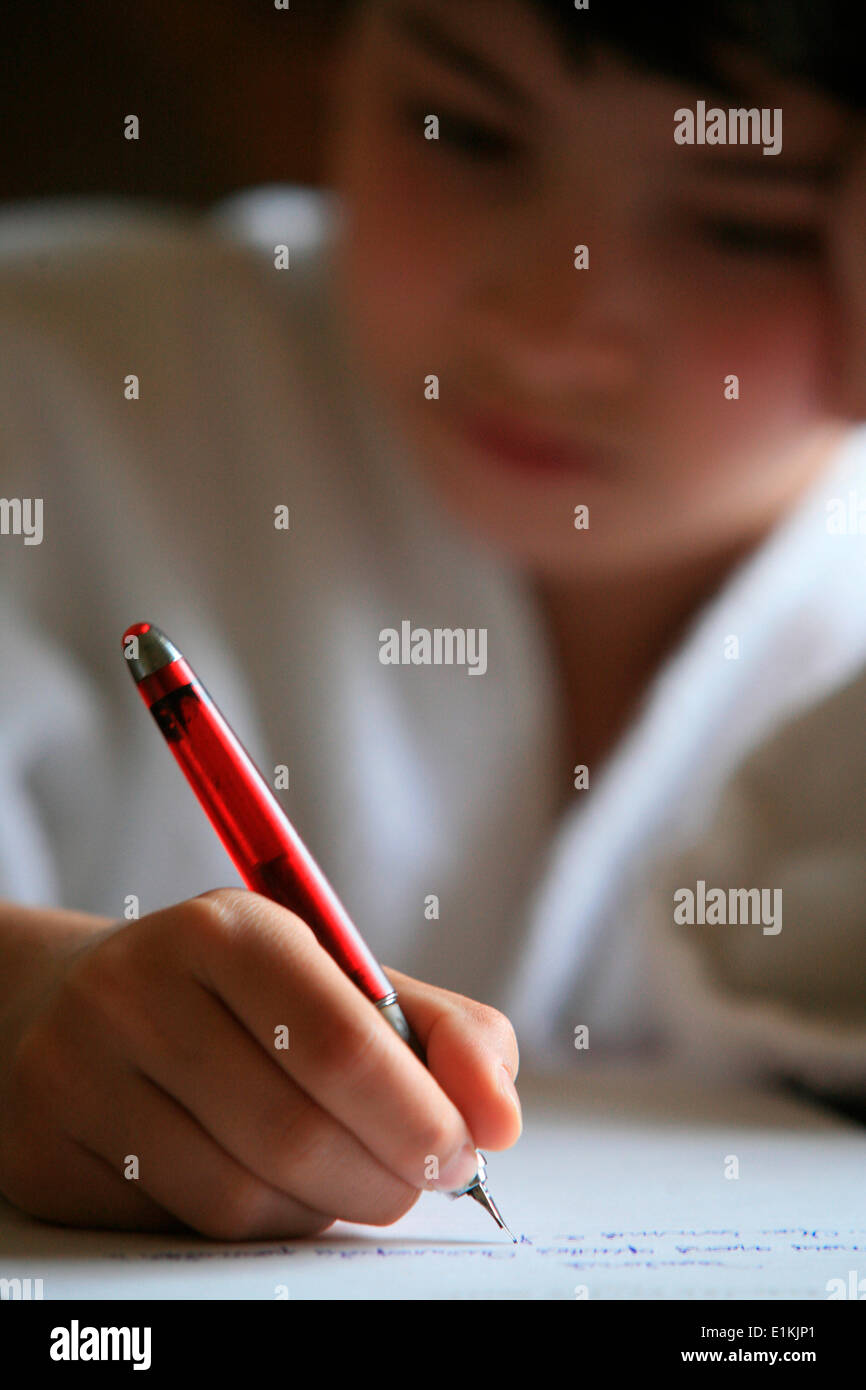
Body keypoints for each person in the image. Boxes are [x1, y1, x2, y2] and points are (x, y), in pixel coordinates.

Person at [0, 0, 865, 1239]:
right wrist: (18, 1005)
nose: (551, 331)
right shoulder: (40, 375)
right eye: (460, 130)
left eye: (745, 220)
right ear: (334, 68)